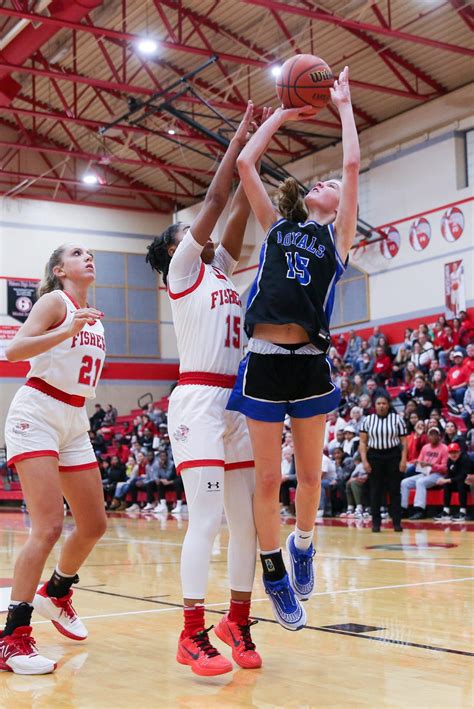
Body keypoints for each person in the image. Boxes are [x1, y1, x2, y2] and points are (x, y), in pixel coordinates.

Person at [227, 66, 360, 629]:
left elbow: (353, 164)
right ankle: (276, 574)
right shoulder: (278, 227)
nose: (325, 183)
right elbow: (244, 164)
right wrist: (283, 112)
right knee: (265, 479)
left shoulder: (339, 236)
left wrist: (343, 105)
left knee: (309, 478)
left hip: (309, 365)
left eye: (330, 184)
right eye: (319, 181)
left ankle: (304, 543)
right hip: (262, 360)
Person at [146, 102, 263, 676]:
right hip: (197, 398)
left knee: (249, 522)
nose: (203, 229)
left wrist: (262, 139)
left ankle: (236, 622)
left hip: (235, 402)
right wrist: (238, 133)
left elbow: (239, 197)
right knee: (208, 519)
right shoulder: (183, 271)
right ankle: (190, 633)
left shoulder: (219, 270)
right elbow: (217, 201)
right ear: (177, 247)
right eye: (188, 230)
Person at [1, 244, 106, 674]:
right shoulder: (54, 301)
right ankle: (11, 638)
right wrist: (66, 330)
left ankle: (58, 591)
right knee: (46, 527)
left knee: (94, 523)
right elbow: (15, 350)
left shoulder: (92, 315)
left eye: (90, 253)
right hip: (38, 411)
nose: (89, 257)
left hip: (73, 418)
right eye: (78, 254)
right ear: (60, 269)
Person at [359, 395, 407, 532]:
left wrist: (403, 459)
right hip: (374, 456)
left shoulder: (397, 420)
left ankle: (397, 523)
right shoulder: (368, 420)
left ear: (388, 405)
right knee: (375, 490)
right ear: (375, 405)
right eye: (379, 403)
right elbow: (363, 442)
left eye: (384, 403)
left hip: (393, 456)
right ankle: (376, 523)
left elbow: (404, 442)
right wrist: (364, 460)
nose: (381, 406)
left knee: (394, 490)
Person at [400, 427, 448, 519]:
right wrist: (416, 462)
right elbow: (420, 461)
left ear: (439, 436)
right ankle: (403, 509)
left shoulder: (444, 448)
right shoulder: (425, 447)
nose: (433, 436)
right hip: (425, 473)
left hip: (438, 475)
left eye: (435, 434)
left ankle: (419, 510)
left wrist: (431, 465)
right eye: (431, 434)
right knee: (404, 482)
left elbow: (445, 468)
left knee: (420, 482)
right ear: (428, 436)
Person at [433, 443, 473, 522]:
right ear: (448, 454)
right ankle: (446, 511)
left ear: (459, 452)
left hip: (469, 483)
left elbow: (463, 476)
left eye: (455, 452)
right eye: (451, 453)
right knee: (447, 484)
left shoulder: (465, 459)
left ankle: (463, 511)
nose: (453, 455)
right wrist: (443, 480)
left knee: (461, 483)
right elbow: (449, 475)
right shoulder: (449, 461)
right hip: (458, 481)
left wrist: (447, 480)